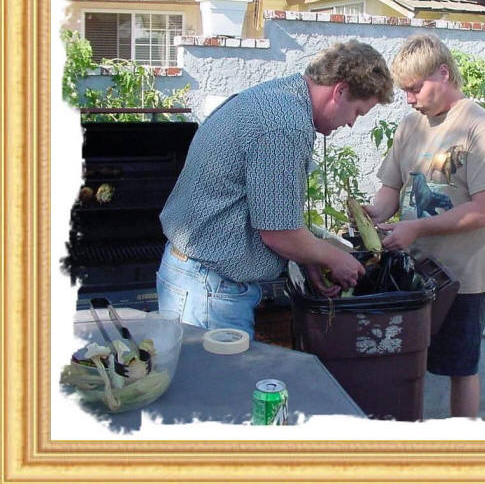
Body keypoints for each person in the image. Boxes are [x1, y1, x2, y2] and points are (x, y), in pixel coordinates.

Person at [157, 40, 393, 337]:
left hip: (195, 278)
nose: (350, 124)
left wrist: (309, 260)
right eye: (357, 112)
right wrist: (334, 257)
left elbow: (273, 214)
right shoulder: (285, 125)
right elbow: (279, 233)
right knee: (221, 382)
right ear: (340, 90)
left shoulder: (278, 99)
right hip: (208, 290)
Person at [363, 34, 485, 418]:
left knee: (461, 368)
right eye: (405, 90)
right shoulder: (410, 126)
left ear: (443, 73)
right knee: (408, 361)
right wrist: (374, 214)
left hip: (461, 278)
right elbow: (391, 188)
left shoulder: (482, 128)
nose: (409, 98)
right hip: (411, 272)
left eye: (415, 88)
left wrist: (417, 229)